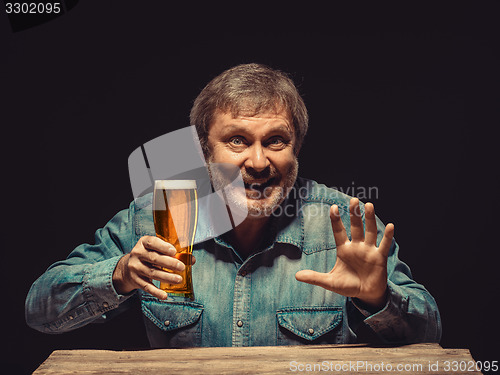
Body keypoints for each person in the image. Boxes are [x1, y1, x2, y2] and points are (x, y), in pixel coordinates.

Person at [25, 63, 441, 347]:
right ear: (204, 151)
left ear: (296, 148)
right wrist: (118, 274)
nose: (258, 162)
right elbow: (40, 308)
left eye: (275, 141)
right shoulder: (158, 215)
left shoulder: (344, 224)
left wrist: (378, 298)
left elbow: (430, 335)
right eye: (237, 140)